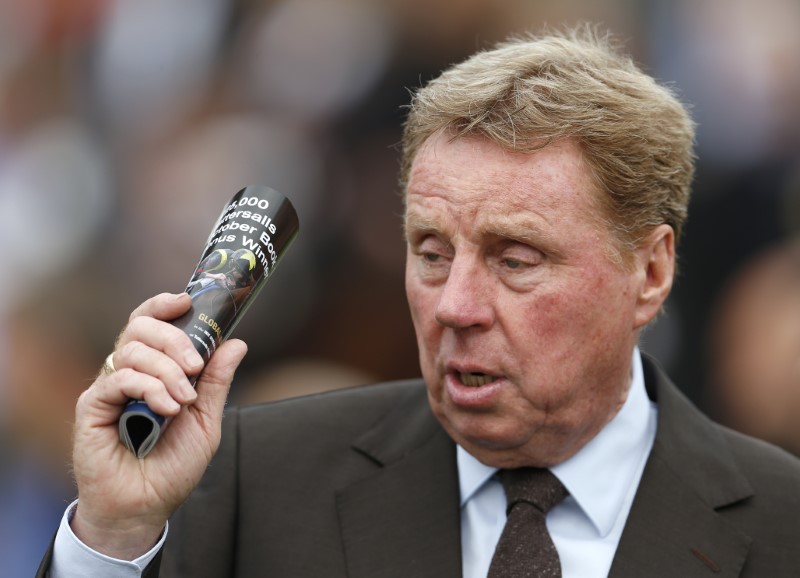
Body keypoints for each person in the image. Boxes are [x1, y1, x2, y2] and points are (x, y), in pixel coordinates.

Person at [39, 26, 800, 577]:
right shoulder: (256, 478)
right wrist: (113, 533)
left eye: (516, 258)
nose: (455, 306)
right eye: (431, 253)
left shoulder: (781, 521)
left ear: (652, 272)